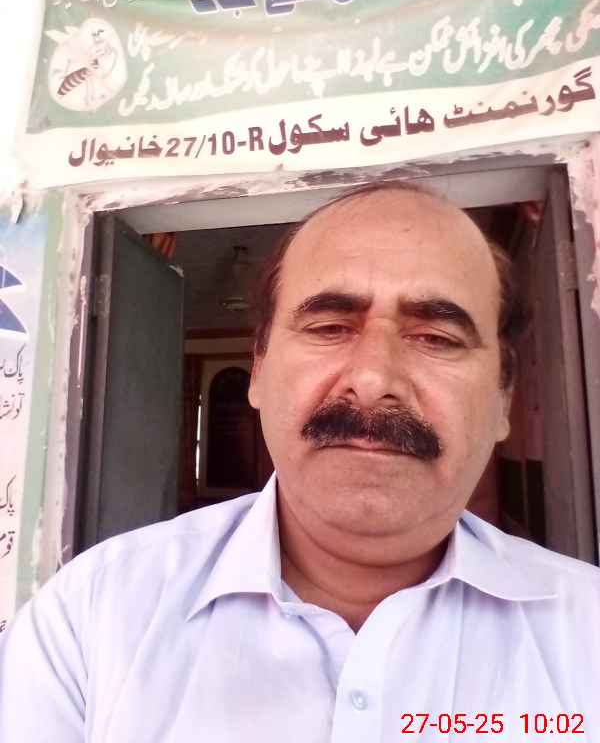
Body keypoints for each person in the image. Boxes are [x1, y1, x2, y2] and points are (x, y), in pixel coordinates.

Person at [1, 182, 599, 742]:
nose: (373, 380)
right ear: (258, 371)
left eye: (435, 338)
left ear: (502, 399)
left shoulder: (586, 633)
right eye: (331, 327)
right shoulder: (91, 619)